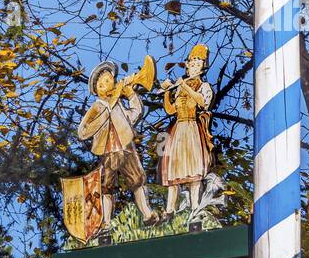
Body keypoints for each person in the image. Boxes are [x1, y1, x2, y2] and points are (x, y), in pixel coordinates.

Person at [77, 61, 158, 232]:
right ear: (97, 89)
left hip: (125, 147)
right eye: (103, 83)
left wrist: (131, 96)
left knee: (137, 180)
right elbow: (82, 132)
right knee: (106, 186)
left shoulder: (118, 105)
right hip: (108, 152)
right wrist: (106, 111)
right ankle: (106, 222)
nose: (108, 84)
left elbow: (133, 116)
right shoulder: (97, 107)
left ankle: (147, 214)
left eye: (109, 80)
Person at [158, 43, 215, 217]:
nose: (194, 67)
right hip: (178, 130)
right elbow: (170, 110)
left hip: (192, 129)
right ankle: (170, 209)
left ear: (202, 68)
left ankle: (195, 207)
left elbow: (202, 102)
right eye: (192, 64)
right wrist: (166, 92)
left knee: (193, 169)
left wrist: (185, 86)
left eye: (198, 65)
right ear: (188, 65)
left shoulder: (203, 86)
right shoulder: (179, 88)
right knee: (174, 169)